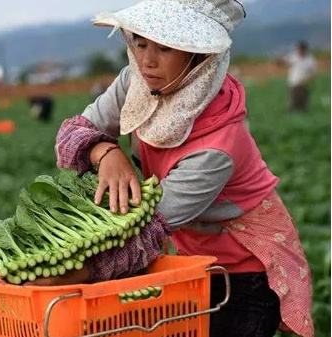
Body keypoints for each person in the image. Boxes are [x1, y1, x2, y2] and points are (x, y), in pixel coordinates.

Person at [44, 1, 313, 337]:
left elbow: (145, 233)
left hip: (243, 276)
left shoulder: (217, 148)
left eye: (165, 48)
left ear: (198, 57)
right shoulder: (135, 82)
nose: (147, 61)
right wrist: (106, 151)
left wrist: (68, 273)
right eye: (140, 43)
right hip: (190, 261)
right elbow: (72, 132)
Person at [278, 41, 317, 113]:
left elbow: (313, 73)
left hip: (305, 83)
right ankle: (291, 114)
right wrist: (280, 59)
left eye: (301, 49)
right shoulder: (293, 56)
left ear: (305, 49)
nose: (299, 50)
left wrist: (308, 79)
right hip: (293, 82)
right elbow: (282, 62)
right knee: (292, 101)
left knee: (303, 102)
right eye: (298, 49)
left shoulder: (310, 59)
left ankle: (304, 114)